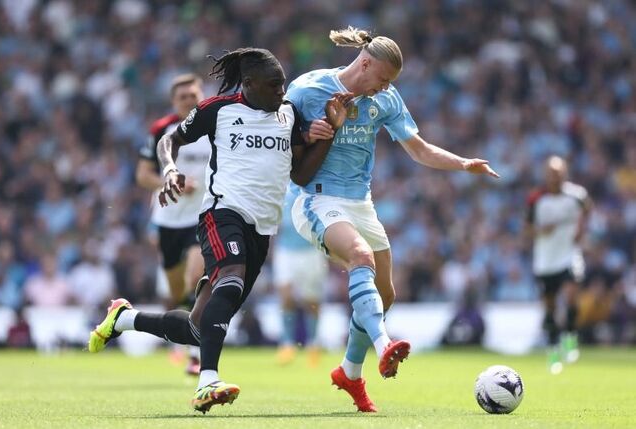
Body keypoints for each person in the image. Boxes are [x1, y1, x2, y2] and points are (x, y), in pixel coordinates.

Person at [88, 47, 352, 413]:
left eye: (283, 83)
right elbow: (169, 140)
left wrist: (330, 134)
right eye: (274, 85)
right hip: (222, 213)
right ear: (249, 84)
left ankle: (124, 318)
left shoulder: (288, 114)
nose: (281, 90)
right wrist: (169, 169)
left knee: (199, 327)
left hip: (262, 228)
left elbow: (301, 174)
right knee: (230, 281)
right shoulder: (218, 109)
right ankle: (207, 381)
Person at [285, 27, 499, 412]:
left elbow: (419, 149)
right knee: (360, 257)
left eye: (390, 82)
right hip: (315, 198)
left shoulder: (385, 98)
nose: (385, 87)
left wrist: (463, 163)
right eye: (383, 79)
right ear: (365, 63)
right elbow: (278, 137)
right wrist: (305, 133)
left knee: (385, 296)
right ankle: (385, 345)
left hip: (360, 202)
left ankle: (349, 373)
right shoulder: (308, 89)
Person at [136, 73, 209, 375]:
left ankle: (196, 353)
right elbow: (143, 175)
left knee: (196, 278)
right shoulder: (161, 130)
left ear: (201, 96)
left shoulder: (216, 125)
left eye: (194, 95)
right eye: (183, 97)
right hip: (168, 220)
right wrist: (171, 182)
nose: (189, 101)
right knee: (177, 291)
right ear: (173, 102)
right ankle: (183, 340)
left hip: (202, 216)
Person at [526, 155, 591, 374]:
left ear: (565, 173)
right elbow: (526, 229)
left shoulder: (577, 195)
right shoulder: (536, 198)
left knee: (571, 296)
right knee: (550, 308)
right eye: (552, 173)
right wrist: (539, 231)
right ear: (546, 175)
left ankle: (570, 335)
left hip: (569, 255)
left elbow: (587, 210)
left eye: (559, 172)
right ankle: (553, 350)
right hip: (545, 261)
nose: (556, 177)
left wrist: (581, 229)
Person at [273, 185, 329, 367]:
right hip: (286, 249)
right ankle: (287, 344)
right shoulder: (282, 184)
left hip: (311, 249)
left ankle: (313, 344)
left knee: (311, 301)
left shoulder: (314, 183)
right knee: (286, 296)